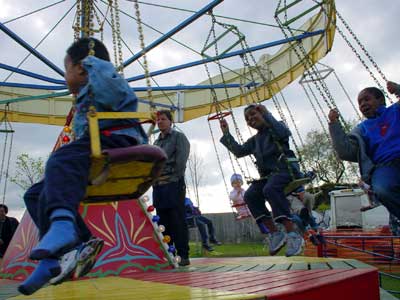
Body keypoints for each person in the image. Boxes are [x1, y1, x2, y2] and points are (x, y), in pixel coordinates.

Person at [18, 37, 148, 295]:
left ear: (81, 68)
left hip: (118, 140)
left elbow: (113, 91)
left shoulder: (107, 81)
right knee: (35, 194)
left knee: (60, 158)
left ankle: (64, 226)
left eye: (66, 70)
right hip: (95, 150)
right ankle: (53, 259)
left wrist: (94, 64)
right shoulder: (83, 100)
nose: (66, 78)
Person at [219, 104, 304, 257]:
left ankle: (293, 234)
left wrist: (267, 114)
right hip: (269, 177)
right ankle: (275, 233)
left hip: (286, 170)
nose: (251, 119)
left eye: (253, 114)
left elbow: (283, 133)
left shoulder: (276, 128)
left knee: (270, 189)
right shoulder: (255, 140)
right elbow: (239, 151)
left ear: (262, 113)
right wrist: (226, 133)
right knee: (250, 195)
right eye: (247, 118)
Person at [328, 81, 400, 221]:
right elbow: (345, 151)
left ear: (380, 99)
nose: (363, 104)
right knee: (382, 189)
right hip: (384, 165)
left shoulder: (395, 110)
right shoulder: (362, 129)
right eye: (360, 102)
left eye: (367, 99)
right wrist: (334, 125)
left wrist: (397, 89)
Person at [152, 110, 191, 266]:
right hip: (159, 185)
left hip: (173, 183)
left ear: (170, 121)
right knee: (162, 219)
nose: (160, 121)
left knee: (177, 219)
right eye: (158, 119)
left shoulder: (178, 137)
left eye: (163, 119)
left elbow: (181, 160)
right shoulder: (156, 143)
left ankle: (183, 254)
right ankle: (170, 254)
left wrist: (174, 178)